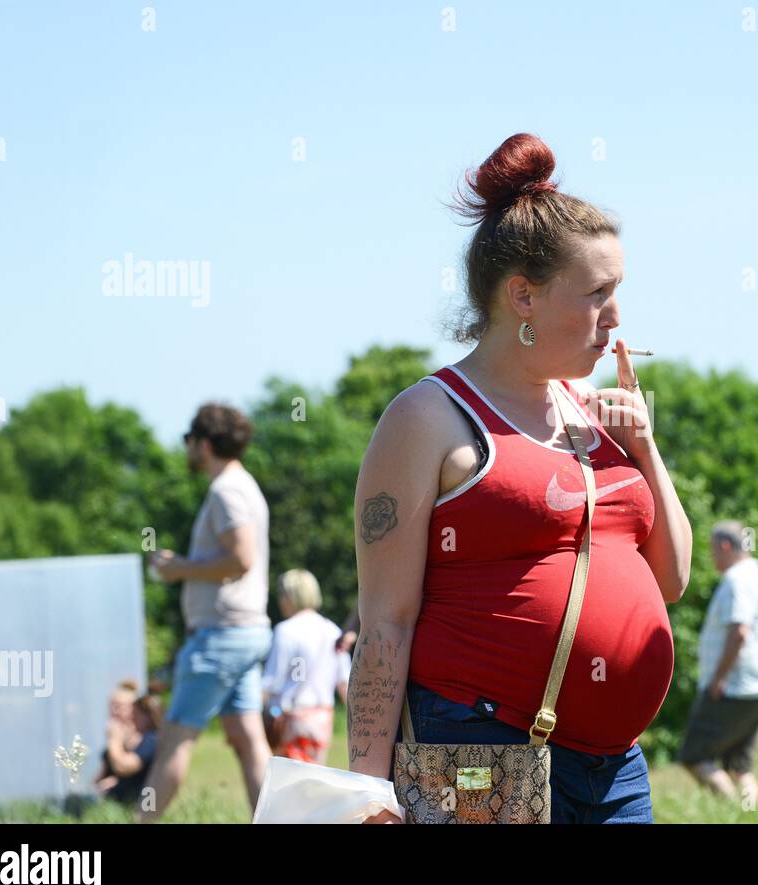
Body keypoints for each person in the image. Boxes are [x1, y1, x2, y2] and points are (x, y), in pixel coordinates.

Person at [348, 132, 692, 824]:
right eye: (598, 292)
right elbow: (386, 618)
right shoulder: (428, 415)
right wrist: (365, 789)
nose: (616, 316)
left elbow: (672, 579)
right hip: (480, 747)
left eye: (617, 290)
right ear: (523, 298)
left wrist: (645, 451)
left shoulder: (592, 415)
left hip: (614, 764)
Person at [141, 403, 273, 822]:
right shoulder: (243, 485)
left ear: (204, 443)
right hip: (245, 632)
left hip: (220, 637)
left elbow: (241, 558)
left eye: (188, 440)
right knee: (248, 739)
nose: (186, 449)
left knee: (174, 741)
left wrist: (179, 568)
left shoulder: (226, 491)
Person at [678, 521, 758, 807]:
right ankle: (750, 814)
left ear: (724, 546)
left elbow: (740, 631)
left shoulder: (737, 580)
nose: (712, 557)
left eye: (712, 550)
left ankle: (731, 813)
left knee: (693, 757)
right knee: (740, 768)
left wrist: (718, 679)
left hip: (733, 689)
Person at [262, 569, 350, 765]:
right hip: (322, 718)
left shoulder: (285, 630)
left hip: (290, 718)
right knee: (313, 778)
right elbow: (344, 682)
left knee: (288, 781)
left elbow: (272, 682)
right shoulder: (332, 630)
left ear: (290, 596)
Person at [94, 680, 163, 806]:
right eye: (112, 706)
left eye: (120, 706)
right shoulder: (115, 745)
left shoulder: (148, 740)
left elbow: (124, 767)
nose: (115, 711)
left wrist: (114, 739)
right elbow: (98, 780)